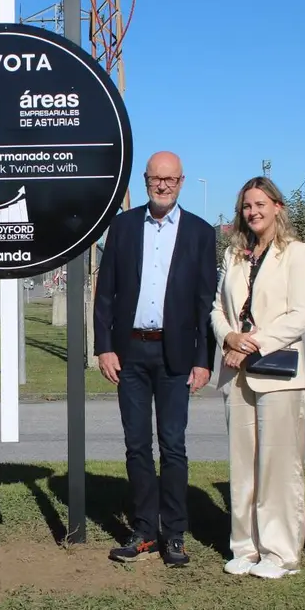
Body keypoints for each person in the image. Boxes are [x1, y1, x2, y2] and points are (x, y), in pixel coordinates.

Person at [94, 151, 216, 567]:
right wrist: (104, 346)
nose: (162, 186)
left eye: (170, 179)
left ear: (181, 182)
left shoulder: (200, 233)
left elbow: (205, 302)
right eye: (155, 179)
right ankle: (145, 531)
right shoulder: (124, 226)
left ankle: (175, 534)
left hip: (176, 354)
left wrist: (204, 359)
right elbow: (105, 291)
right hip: (129, 351)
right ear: (145, 180)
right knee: (136, 445)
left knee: (174, 445)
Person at [210, 177, 305, 579]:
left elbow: (299, 315)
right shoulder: (234, 255)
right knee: (243, 464)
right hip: (235, 373)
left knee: (278, 464)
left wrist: (250, 344)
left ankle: (281, 552)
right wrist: (228, 336)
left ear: (277, 206)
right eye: (246, 206)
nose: (252, 212)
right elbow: (216, 307)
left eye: (259, 204)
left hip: (278, 374)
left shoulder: (297, 253)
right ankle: (245, 546)